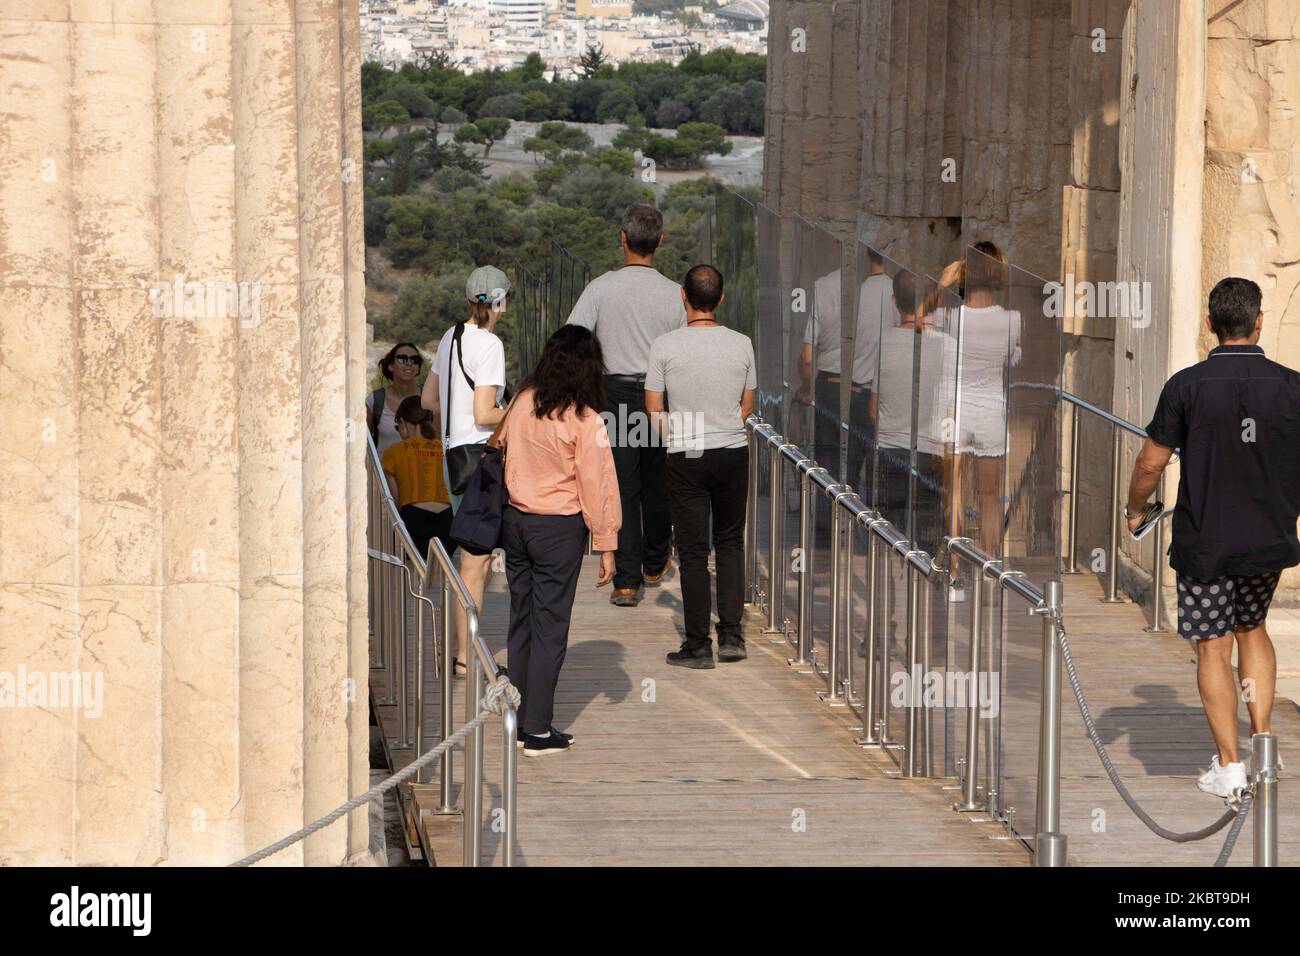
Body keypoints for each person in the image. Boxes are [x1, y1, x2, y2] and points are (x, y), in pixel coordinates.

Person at [1124, 277, 1300, 797]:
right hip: (1267, 536)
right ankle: (1263, 747)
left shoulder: (1187, 385)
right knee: (1254, 630)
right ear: (1259, 321)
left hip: (1206, 542)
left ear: (1210, 325)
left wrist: (1136, 509)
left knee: (1212, 648)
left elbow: (1151, 462)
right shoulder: (1292, 386)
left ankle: (1230, 766)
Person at [495, 325, 621, 756]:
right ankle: (538, 730)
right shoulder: (586, 419)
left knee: (521, 621)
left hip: (515, 523)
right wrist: (607, 544)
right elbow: (598, 483)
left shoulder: (521, 403)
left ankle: (517, 717)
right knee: (551, 627)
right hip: (558, 530)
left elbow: (499, 447)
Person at [566, 203, 686, 607]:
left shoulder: (600, 288)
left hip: (613, 396)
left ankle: (627, 580)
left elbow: (572, 339)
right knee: (658, 482)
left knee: (622, 486)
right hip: (661, 398)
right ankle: (655, 560)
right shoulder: (676, 294)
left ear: (622, 239)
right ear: (661, 241)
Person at [645, 265, 757, 668]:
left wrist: (678, 437)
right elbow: (748, 403)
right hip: (732, 450)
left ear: (683, 298)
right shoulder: (742, 343)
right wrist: (724, 426)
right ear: (721, 299)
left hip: (685, 453)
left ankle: (697, 645)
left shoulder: (664, 345)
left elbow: (653, 407)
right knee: (729, 542)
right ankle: (731, 635)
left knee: (692, 552)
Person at [421, 265, 510, 678]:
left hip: (452, 457)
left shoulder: (449, 336)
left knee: (469, 561)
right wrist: (516, 412)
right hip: (480, 459)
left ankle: (461, 651)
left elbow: (428, 398)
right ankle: (464, 657)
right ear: (498, 301)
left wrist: (450, 430)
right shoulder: (490, 344)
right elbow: (484, 412)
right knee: (476, 564)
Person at [943, 240, 1020, 592]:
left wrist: (944, 283)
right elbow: (1011, 360)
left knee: (956, 492)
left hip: (956, 409)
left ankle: (956, 567)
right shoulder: (1011, 321)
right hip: (990, 409)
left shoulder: (952, 317)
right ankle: (990, 570)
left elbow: (918, 320)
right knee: (990, 499)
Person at [872, 270, 957, 547]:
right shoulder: (947, 346)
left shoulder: (884, 343)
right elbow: (951, 412)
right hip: (930, 452)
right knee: (927, 539)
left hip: (889, 449)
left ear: (895, 301)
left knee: (885, 539)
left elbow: (874, 408)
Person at [797, 251, 888, 497]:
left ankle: (829, 533)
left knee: (828, 473)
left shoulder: (823, 286)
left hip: (829, 387)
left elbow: (807, 357)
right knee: (861, 469)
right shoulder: (887, 291)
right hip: (867, 391)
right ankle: (861, 529)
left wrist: (806, 390)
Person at [381, 396, 453, 565]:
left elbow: (394, 500)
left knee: (414, 574)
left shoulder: (393, 452)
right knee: (442, 575)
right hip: (447, 521)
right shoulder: (445, 449)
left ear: (403, 423)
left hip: (414, 519)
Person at [368, 342, 424, 456]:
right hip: (383, 472)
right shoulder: (375, 400)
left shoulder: (427, 399)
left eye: (414, 360)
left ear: (418, 368)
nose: (409, 363)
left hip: (419, 472)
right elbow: (363, 442)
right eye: (402, 359)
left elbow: (438, 442)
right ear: (391, 366)